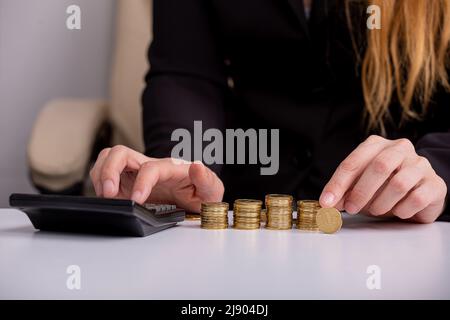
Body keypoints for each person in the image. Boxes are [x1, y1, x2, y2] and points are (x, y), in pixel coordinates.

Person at [90, 0, 450, 223]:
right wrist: (186, 164)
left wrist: (437, 168)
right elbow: (186, 74)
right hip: (243, 206)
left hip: (391, 223)